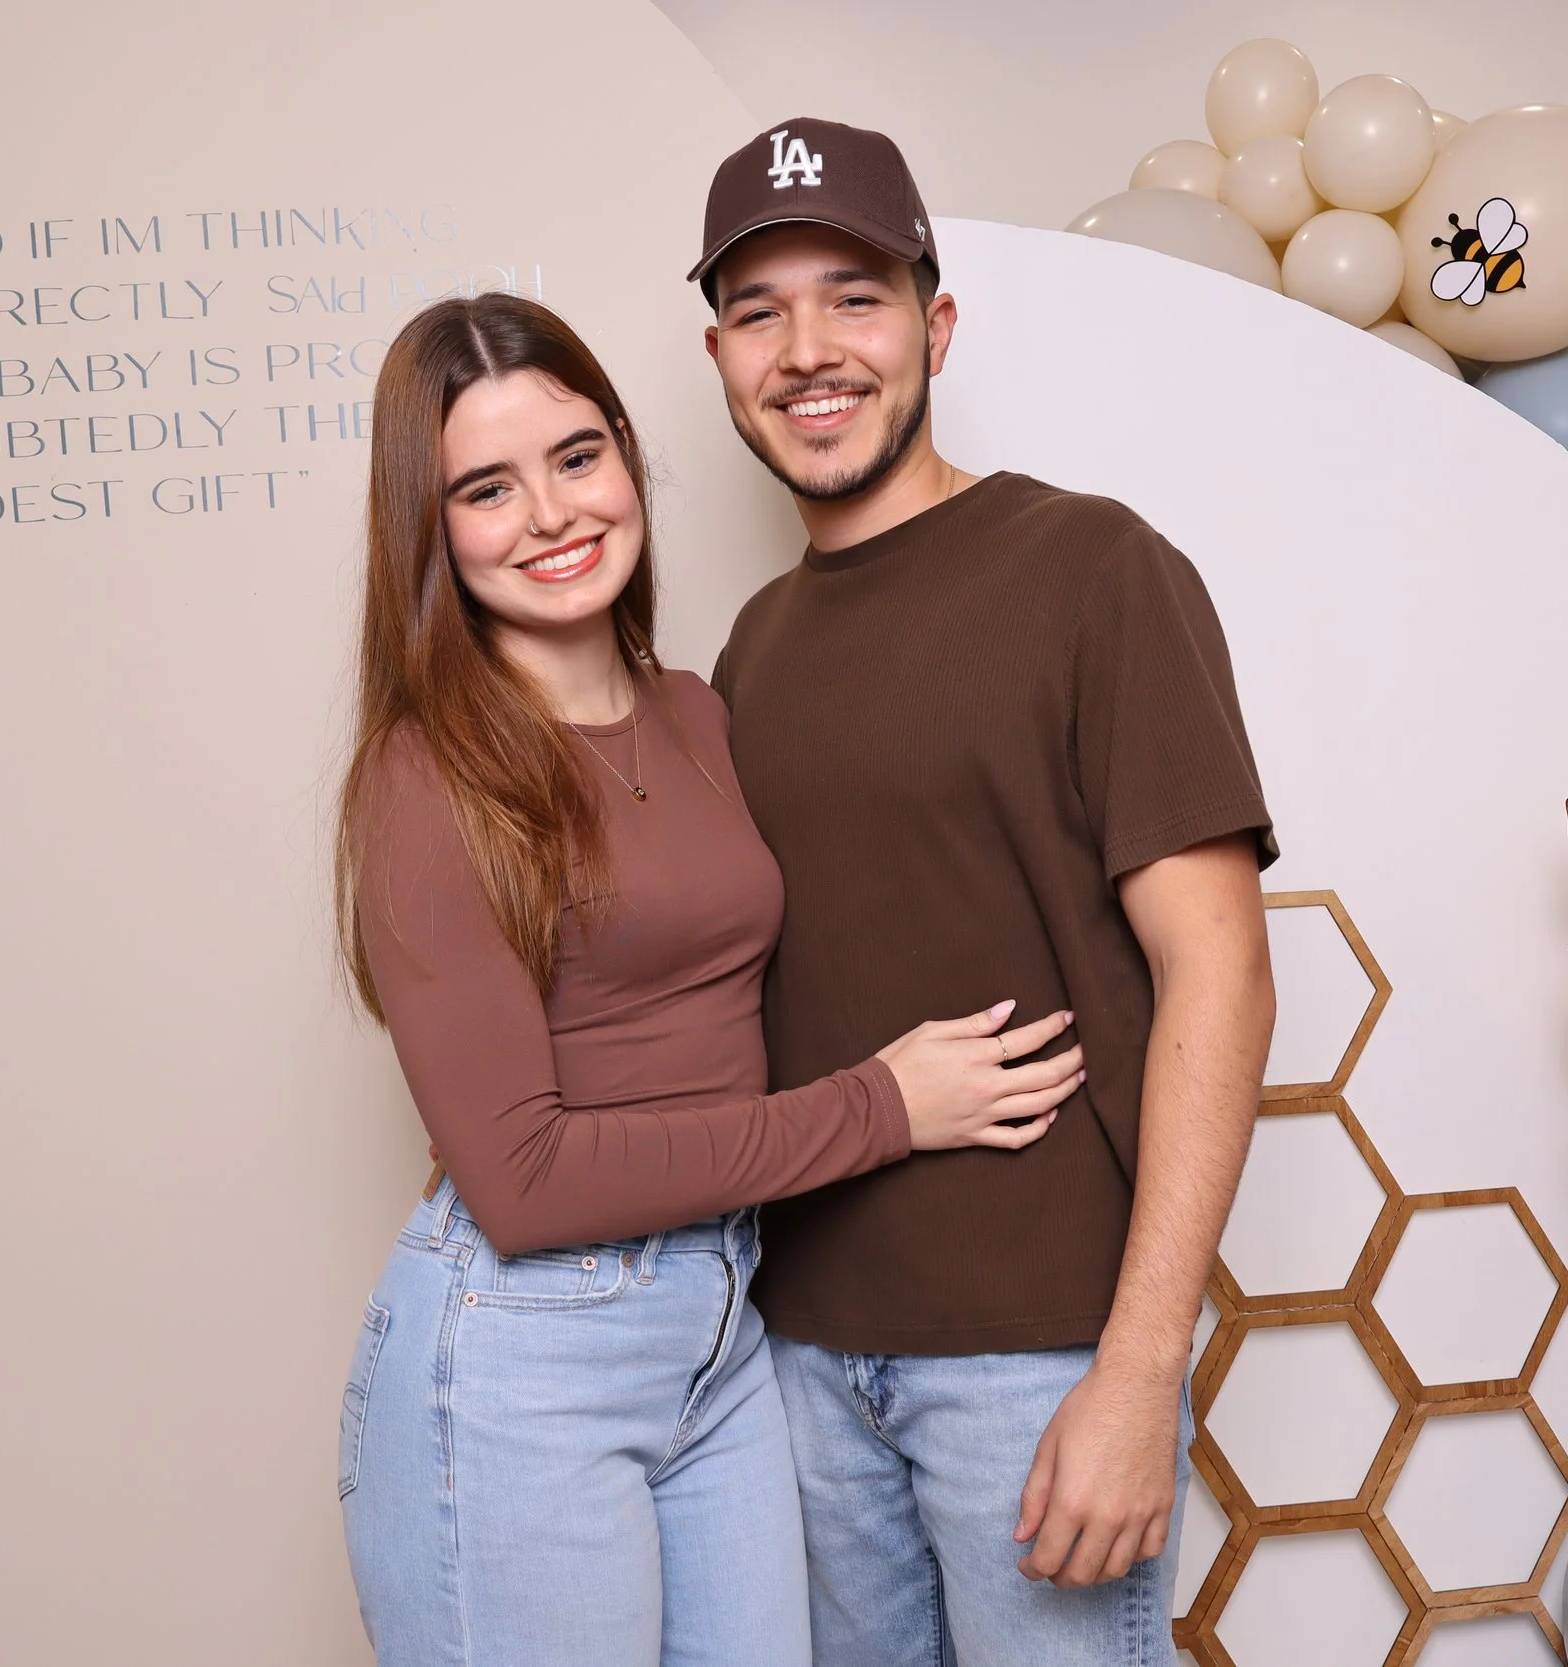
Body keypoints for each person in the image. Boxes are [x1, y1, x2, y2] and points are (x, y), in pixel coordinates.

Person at [330, 291, 1090, 1667]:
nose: (554, 513)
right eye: (487, 489)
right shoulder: (425, 777)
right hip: (525, 1357)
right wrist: (882, 1108)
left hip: (726, 1338)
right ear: (429, 532)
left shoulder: (697, 709)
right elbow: (526, 1177)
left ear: (628, 454)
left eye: (577, 456)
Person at [693, 119, 1282, 1666]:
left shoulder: (1094, 569)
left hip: (1033, 1360)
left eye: (855, 299)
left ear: (935, 326)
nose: (809, 351)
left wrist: (1141, 1368)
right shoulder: (751, 646)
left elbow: (1219, 973)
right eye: (761, 312)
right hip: (798, 1351)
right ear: (720, 356)